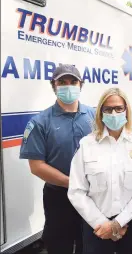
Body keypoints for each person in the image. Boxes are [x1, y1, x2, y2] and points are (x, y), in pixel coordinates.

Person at [67, 87, 132, 254]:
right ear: (100, 113)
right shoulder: (87, 145)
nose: (114, 113)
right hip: (96, 227)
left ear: (126, 111)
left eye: (118, 108)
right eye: (108, 109)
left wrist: (118, 223)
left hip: (131, 224)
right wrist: (102, 223)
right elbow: (77, 191)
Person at [19, 64, 95, 254]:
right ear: (53, 85)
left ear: (81, 85)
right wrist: (72, 183)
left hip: (92, 195)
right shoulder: (40, 122)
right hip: (59, 198)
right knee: (59, 247)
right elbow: (36, 166)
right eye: (62, 82)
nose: (68, 86)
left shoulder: (95, 116)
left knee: (90, 245)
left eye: (73, 81)